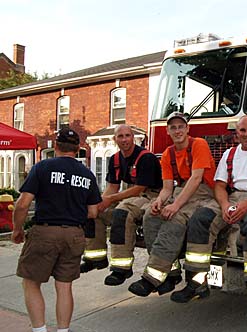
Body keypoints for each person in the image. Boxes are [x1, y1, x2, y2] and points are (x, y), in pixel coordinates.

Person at [171, 115, 247, 320]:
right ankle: (196, 282)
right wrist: (224, 205)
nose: (246, 134)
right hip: (232, 198)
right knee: (201, 218)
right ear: (237, 133)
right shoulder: (229, 154)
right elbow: (220, 185)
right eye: (242, 131)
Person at [11, 128, 101, 332]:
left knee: (31, 282)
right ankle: (63, 330)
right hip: (75, 234)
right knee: (64, 286)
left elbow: (23, 204)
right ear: (77, 149)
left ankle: (39, 329)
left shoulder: (42, 167)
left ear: (57, 146)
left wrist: (17, 229)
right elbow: (94, 211)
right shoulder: (87, 174)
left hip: (45, 232)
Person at [128, 112, 216, 297]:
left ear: (187, 129)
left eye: (181, 126)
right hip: (182, 191)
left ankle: (152, 277)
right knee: (150, 216)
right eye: (173, 127)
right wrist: (159, 202)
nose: (178, 131)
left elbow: (196, 178)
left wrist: (175, 206)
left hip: (204, 193)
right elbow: (167, 188)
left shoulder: (199, 144)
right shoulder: (168, 153)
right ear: (168, 131)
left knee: (174, 218)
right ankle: (171, 274)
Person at [79, 124, 163, 286]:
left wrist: (111, 200)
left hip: (150, 195)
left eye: (127, 136)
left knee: (121, 212)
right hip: (128, 194)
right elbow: (112, 186)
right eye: (120, 136)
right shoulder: (116, 159)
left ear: (133, 138)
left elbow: (139, 188)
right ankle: (95, 258)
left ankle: (121, 268)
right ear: (115, 139)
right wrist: (99, 203)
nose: (124, 139)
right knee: (92, 211)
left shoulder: (146, 158)